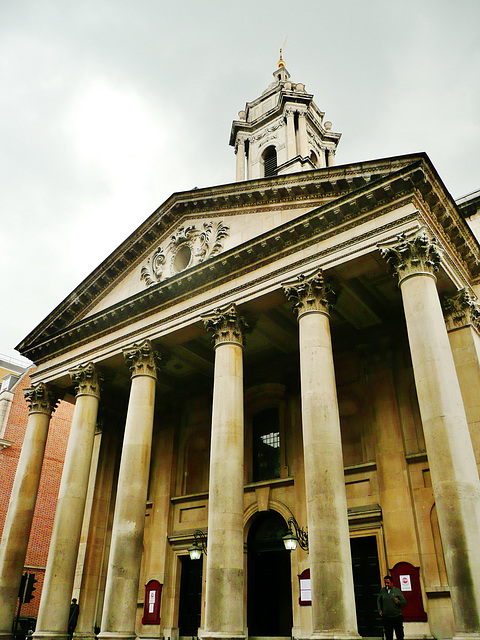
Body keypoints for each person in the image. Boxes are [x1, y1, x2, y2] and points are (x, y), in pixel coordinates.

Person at [377, 575, 406, 640]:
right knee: (388, 635)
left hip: (397, 617)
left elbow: (404, 602)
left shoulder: (397, 591)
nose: (386, 585)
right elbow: (378, 600)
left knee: (399, 635)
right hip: (387, 617)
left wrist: (398, 601)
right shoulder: (383, 591)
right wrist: (379, 610)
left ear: (392, 583)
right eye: (385, 583)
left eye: (388, 583)